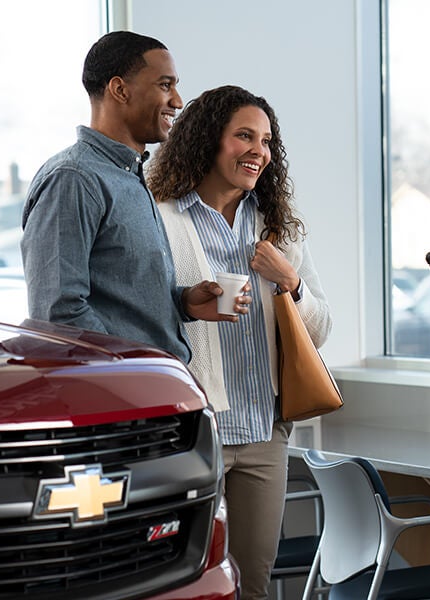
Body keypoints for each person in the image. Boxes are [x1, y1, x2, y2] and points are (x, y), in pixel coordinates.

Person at [146, 85, 332, 600]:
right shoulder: (160, 217)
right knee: (188, 585)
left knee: (254, 583)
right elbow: (139, 318)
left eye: (267, 140)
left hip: (263, 433)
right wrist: (186, 300)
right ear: (208, 141)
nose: (259, 150)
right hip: (192, 435)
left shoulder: (278, 228)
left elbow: (319, 332)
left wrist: (290, 282)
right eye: (244, 136)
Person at [21, 31, 242, 362]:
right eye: (165, 85)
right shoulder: (74, 179)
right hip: (124, 398)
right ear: (120, 89)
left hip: (154, 392)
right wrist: (133, 373)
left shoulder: (130, 177)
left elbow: (119, 298)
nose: (178, 101)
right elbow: (58, 315)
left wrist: (182, 302)